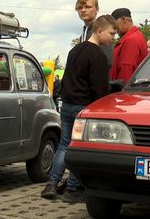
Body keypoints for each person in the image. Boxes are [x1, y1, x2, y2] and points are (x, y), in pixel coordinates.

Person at [41, 15, 117, 203]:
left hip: (67, 104)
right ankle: (73, 189)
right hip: (84, 107)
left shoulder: (75, 50)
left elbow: (67, 77)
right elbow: (99, 88)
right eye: (111, 33)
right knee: (79, 148)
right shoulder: (98, 55)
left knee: (64, 145)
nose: (113, 38)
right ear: (99, 31)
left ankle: (51, 183)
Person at [110, 8, 148, 83]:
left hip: (123, 91)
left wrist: (121, 92)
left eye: (115, 24)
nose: (114, 29)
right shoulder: (135, 36)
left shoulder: (131, 40)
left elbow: (126, 71)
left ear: (123, 20)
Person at [75, 0, 113, 68]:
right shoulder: (83, 35)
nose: (83, 10)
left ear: (97, 9)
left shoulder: (102, 31)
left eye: (87, 7)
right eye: (80, 8)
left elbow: (107, 61)